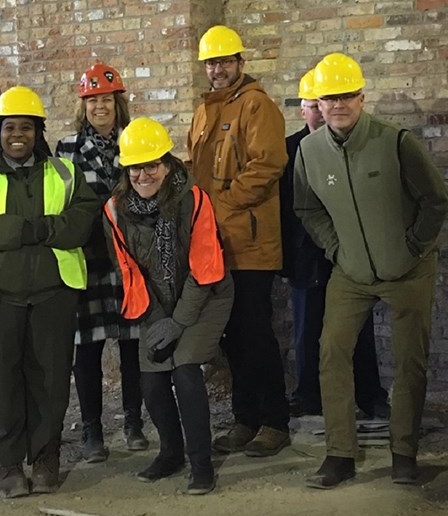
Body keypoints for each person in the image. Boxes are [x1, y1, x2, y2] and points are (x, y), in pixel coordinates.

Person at [293, 52, 448, 489]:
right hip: (352, 271)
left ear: (362, 98)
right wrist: (336, 248)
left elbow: (435, 199)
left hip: (409, 271)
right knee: (331, 351)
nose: (338, 105)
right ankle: (340, 454)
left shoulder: (394, 141)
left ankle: (404, 454)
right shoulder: (309, 152)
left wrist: (415, 246)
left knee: (409, 361)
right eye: (329, 98)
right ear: (317, 104)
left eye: (347, 96)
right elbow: (306, 208)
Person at [0, 87, 98, 499]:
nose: (17, 135)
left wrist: (43, 230)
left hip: (53, 293)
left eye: (26, 127)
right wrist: (22, 230)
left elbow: (82, 220)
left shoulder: (66, 173)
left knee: (50, 381)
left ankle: (47, 459)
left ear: (38, 131)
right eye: (10, 127)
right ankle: (8, 464)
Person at [103, 117, 234, 495]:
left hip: (206, 296)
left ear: (166, 163)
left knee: (186, 369)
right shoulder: (114, 211)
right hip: (156, 303)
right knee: (151, 375)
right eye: (135, 168)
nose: (143, 175)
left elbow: (206, 270)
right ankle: (171, 452)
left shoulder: (193, 199)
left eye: (151, 165)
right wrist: (159, 320)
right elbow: (129, 271)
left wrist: (178, 324)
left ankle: (201, 464)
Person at [187, 25, 290, 457]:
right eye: (211, 63)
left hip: (249, 245)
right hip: (215, 246)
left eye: (225, 61)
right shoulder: (203, 111)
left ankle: (274, 422)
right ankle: (245, 419)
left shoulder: (257, 106)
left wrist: (220, 208)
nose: (218, 69)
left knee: (254, 333)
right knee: (230, 335)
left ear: (239, 64)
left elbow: (268, 166)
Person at [280, 69, 389, 419]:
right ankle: (309, 396)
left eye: (321, 104)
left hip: (348, 253)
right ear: (303, 109)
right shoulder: (289, 150)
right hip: (305, 255)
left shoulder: (353, 144)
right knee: (306, 330)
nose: (317, 111)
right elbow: (286, 207)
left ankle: (370, 396)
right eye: (312, 105)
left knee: (359, 329)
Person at [55, 64, 147, 464]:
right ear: (84, 105)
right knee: (87, 350)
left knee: (132, 347)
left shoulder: (138, 143)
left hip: (130, 261)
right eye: (93, 101)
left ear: (118, 103)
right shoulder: (67, 149)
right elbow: (62, 206)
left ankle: (133, 423)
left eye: (106, 99)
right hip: (88, 261)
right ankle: (92, 429)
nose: (100, 107)